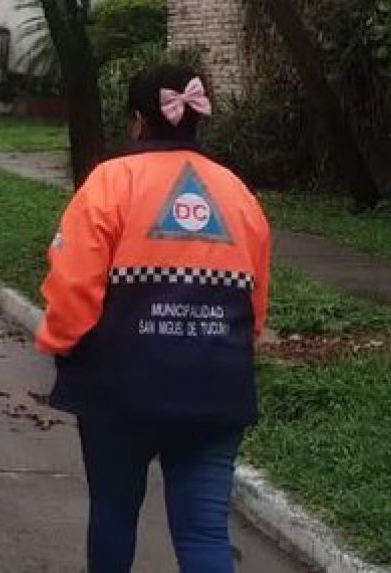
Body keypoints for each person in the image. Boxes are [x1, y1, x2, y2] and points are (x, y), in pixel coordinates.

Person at [36, 64, 271, 572]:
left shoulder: (109, 182)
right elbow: (254, 307)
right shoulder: (236, 193)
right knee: (205, 531)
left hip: (121, 388)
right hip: (216, 385)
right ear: (196, 120)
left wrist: (59, 342)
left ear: (139, 121)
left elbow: (74, 286)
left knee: (115, 512)